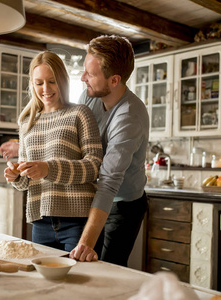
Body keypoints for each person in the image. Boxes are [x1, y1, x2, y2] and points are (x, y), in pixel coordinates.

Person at [3, 51, 103, 252]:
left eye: (52, 81)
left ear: (63, 81)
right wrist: (16, 176)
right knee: (43, 282)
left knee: (78, 280)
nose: (45, 89)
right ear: (32, 84)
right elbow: (26, 181)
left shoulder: (80, 113)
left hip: (78, 221)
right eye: (39, 83)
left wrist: (49, 169)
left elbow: (94, 166)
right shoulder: (26, 122)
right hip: (40, 222)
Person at [69, 35, 149, 267]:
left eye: (90, 74)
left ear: (114, 80)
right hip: (94, 195)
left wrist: (86, 242)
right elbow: (73, 136)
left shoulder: (129, 117)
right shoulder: (89, 95)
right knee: (85, 266)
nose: (83, 78)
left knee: (108, 267)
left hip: (124, 204)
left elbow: (109, 182)